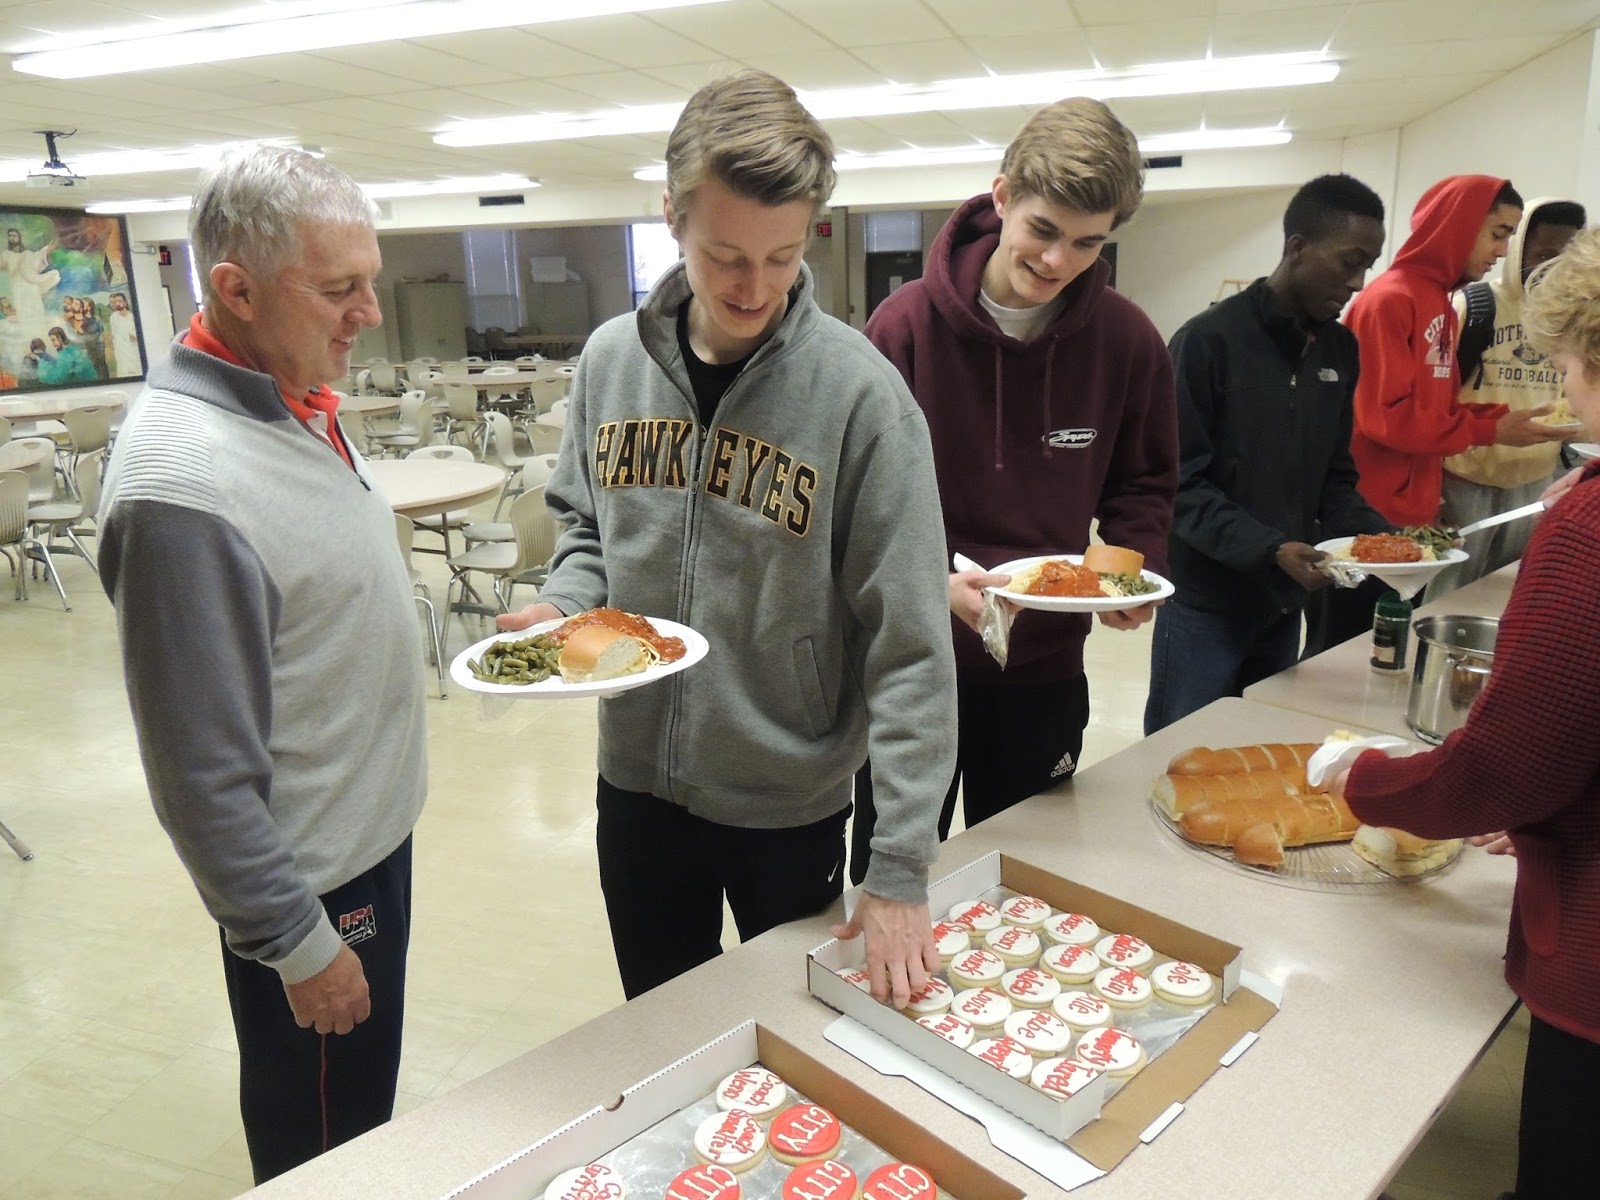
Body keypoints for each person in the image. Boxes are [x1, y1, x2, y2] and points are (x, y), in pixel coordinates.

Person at [497, 71, 957, 1009]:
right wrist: (564, 606)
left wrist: (901, 864)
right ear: (669, 214)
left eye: (783, 258)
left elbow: (910, 645)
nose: (755, 288)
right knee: (660, 1022)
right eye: (725, 257)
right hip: (634, 785)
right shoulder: (610, 363)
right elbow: (586, 527)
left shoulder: (863, 400)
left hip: (786, 801)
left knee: (790, 1032)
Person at [97, 144, 426, 1184]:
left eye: (368, 279)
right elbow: (199, 779)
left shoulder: (290, 398)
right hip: (316, 891)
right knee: (323, 1143)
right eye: (338, 289)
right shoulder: (182, 484)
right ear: (233, 291)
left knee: (358, 1115)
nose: (367, 312)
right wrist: (298, 945)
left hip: (365, 846)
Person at [1330, 225, 1600, 1200]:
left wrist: (1364, 781)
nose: (1562, 391)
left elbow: (1509, 763)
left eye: (1566, 366)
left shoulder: (1586, 528)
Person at [847, 96, 1176, 882]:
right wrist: (927, 584)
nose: (1059, 261)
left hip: (1045, 668)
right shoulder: (903, 329)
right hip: (912, 669)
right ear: (1001, 199)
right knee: (898, 880)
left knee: (1030, 875)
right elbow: (854, 506)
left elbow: (1146, 481)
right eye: (1043, 230)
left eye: (1088, 243)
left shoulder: (1127, 341)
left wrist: (1129, 571)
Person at [1144, 175, 1394, 733]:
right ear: (1298, 247)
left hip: (1284, 607)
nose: (1357, 282)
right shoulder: (1207, 342)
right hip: (1206, 606)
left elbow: (1335, 477)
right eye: (1349, 262)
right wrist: (1269, 549)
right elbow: (1178, 484)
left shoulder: (1339, 348)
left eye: (1368, 266)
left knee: (1254, 747)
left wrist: (1390, 541)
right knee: (1176, 753)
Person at [1302, 176, 1565, 655]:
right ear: (1457, 227)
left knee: (1381, 652)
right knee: (1334, 658)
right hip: (1365, 517)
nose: (1504, 250)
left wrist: (1503, 418)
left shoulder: (1440, 305)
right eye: (1497, 233)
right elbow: (1385, 418)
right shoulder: (1390, 299)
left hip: (1407, 518)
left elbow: (1434, 410)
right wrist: (1489, 429)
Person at [1425, 199, 1586, 598]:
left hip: (1536, 480)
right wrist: (1431, 494)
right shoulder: (1474, 306)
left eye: (1563, 259)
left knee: (1510, 590)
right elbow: (1432, 407)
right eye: (1544, 256)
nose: (1552, 270)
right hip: (1466, 480)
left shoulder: (1567, 319)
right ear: (1517, 250)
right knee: (1447, 592)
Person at [0, 226, 60, 325]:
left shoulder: (27, 254)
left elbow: (38, 257)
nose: (12, 238)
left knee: (34, 309)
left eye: (14, 235)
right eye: (10, 236)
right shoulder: (6, 254)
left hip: (30, 287)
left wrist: (48, 249)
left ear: (19, 237)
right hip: (17, 287)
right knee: (21, 311)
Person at [107, 289, 142, 376]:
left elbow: (136, 335)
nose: (117, 303)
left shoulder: (131, 317)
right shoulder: (113, 317)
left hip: (132, 349)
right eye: (115, 302)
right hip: (120, 351)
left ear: (125, 302)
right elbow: (114, 333)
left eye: (120, 301)